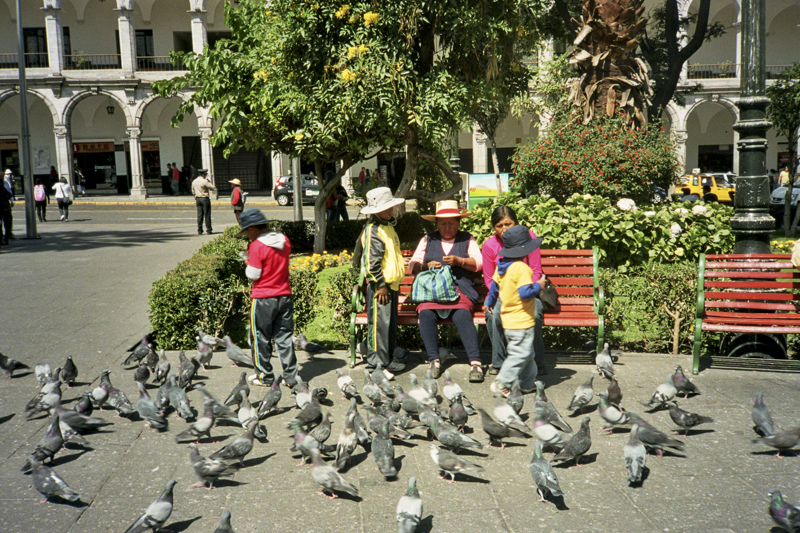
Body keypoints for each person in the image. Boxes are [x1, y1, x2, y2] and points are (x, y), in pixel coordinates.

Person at [408, 200, 484, 382]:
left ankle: (476, 363)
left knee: (462, 315)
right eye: (443, 223)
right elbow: (412, 265)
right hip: (431, 292)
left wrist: (460, 261)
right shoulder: (427, 239)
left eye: (451, 223)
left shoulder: (468, 239)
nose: (447, 227)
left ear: (458, 223)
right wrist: (425, 266)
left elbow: (479, 263)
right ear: (437, 224)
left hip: (460, 290)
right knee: (426, 313)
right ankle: (434, 360)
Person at [481, 205, 546, 377]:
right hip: (503, 293)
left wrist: (526, 292)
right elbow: (489, 279)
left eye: (508, 224)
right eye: (499, 225)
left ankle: (538, 361)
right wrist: (503, 295)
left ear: (516, 223)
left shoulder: (528, 239)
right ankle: (499, 362)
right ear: (494, 227)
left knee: (536, 312)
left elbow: (536, 270)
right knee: (493, 313)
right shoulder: (489, 245)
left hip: (527, 291)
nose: (503, 229)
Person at [237, 208, 298, 388]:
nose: (247, 235)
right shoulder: (284, 240)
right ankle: (291, 376)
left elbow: (254, 274)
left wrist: (248, 263)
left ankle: (264, 376)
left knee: (260, 337)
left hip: (263, 298)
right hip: (284, 295)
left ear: (254, 228)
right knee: (285, 337)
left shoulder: (256, 246)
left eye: (247, 231)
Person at [359, 187, 407, 378]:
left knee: (388, 326)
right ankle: (375, 366)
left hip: (390, 287)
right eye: (388, 208)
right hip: (381, 288)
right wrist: (380, 285)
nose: (391, 210)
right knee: (379, 326)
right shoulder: (373, 231)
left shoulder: (388, 228)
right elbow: (371, 262)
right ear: (376, 211)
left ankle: (385, 360)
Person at [191, 169, 216, 235]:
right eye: (205, 175)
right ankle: (209, 229)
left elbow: (193, 191)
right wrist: (209, 182)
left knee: (200, 215)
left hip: (198, 199)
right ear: (203, 175)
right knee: (207, 214)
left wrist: (195, 196)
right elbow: (212, 187)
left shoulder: (194, 181)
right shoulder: (205, 181)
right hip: (204, 198)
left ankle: (200, 230)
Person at [2, 169, 14, 239]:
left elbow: (9, 193)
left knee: (8, 220)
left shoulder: (5, 183)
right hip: (4, 205)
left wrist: (11, 201)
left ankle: (8, 233)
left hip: (5, 206)